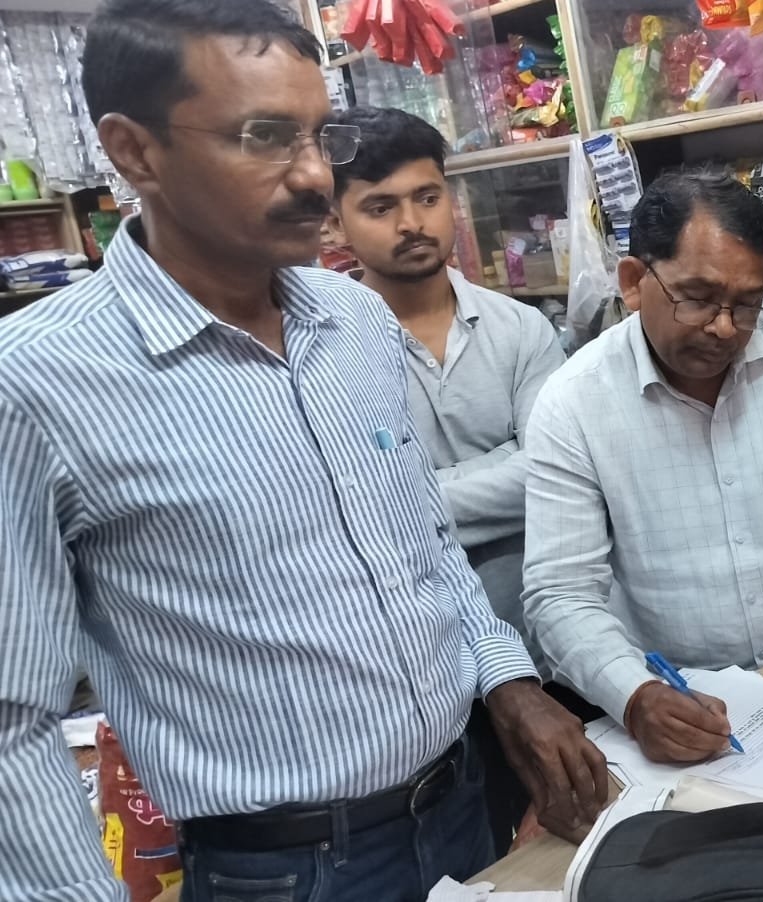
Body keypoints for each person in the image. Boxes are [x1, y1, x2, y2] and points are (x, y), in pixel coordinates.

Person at [0, 3, 606, 900]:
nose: (316, 175)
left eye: (320, 135)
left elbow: (424, 542)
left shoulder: (354, 320)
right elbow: (13, 725)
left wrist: (507, 683)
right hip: (288, 869)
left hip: (460, 807)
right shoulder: (35, 382)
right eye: (264, 137)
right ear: (135, 152)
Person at [523, 169, 763, 764]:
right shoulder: (573, 401)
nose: (726, 327)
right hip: (683, 698)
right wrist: (635, 696)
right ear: (634, 282)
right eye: (698, 298)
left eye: (749, 302)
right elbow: (561, 593)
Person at [327, 105, 568, 856]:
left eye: (427, 197)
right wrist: (502, 464)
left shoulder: (520, 328)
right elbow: (342, 510)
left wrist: (409, 494)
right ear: (336, 222)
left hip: (544, 645)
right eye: (380, 207)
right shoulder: (325, 355)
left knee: (565, 848)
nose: (412, 223)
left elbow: (554, 474)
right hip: (421, 676)